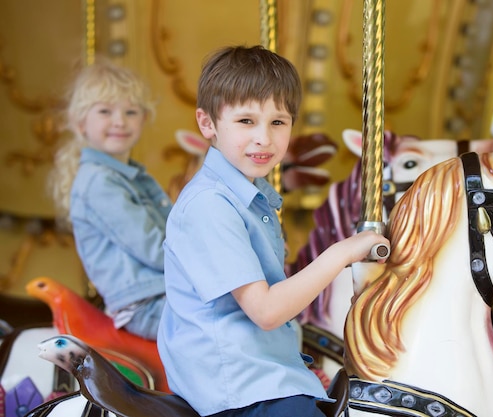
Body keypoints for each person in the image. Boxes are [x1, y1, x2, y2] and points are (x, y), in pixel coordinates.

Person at [157, 45, 389, 417]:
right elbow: (265, 311)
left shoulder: (251, 198)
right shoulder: (209, 204)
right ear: (207, 123)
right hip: (237, 383)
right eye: (246, 121)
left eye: (278, 122)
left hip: (266, 370)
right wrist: (342, 253)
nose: (264, 138)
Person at [48, 60, 171, 340]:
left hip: (160, 292)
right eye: (106, 111)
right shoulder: (99, 182)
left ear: (143, 118)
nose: (120, 121)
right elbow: (153, 248)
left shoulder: (131, 176)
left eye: (131, 111)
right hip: (146, 302)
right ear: (81, 123)